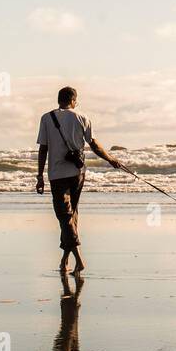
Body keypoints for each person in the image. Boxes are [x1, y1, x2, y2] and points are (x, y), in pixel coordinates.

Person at [36, 86, 122, 272]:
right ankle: (65, 260)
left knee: (65, 216)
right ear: (73, 100)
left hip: (57, 175)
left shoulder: (46, 118)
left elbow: (43, 149)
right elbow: (94, 145)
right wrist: (110, 159)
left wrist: (40, 176)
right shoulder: (83, 117)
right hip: (78, 173)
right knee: (70, 216)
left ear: (59, 99)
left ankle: (79, 260)